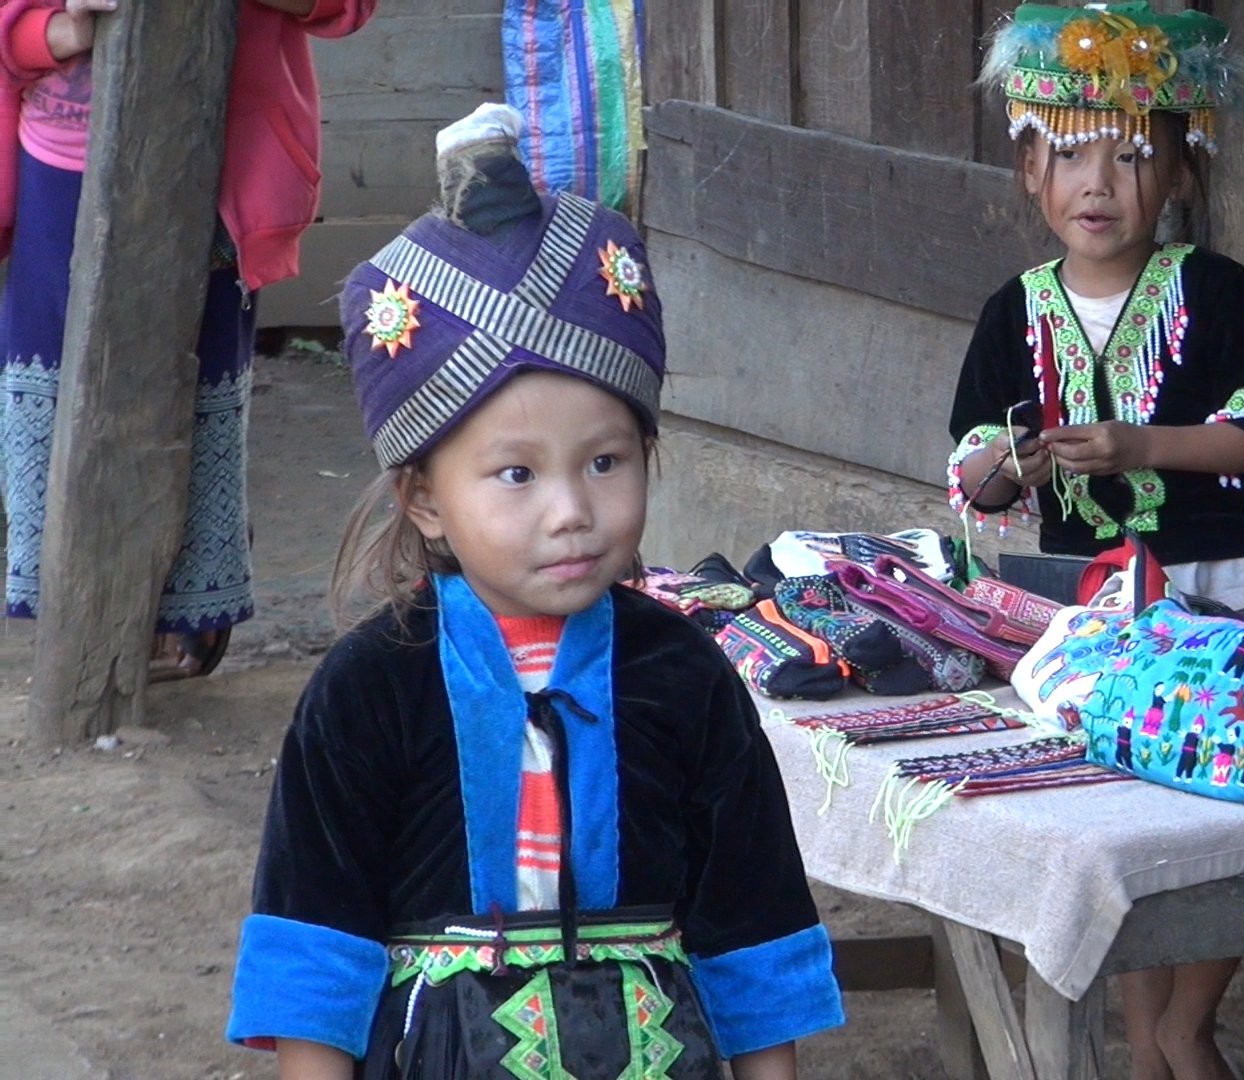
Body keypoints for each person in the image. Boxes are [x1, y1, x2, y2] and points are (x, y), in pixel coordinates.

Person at [225, 104, 843, 1079]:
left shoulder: (684, 673)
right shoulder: (367, 690)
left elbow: (750, 914)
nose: (571, 512)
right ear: (424, 500)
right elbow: (318, 934)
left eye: (605, 462)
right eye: (516, 475)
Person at [951, 5, 1244, 1077]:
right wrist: (1020, 464)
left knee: (1226, 803)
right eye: (1068, 155)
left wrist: (1142, 444)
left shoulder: (1214, 289)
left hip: (1226, 591)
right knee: (1135, 815)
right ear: (1027, 173)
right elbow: (971, 475)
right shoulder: (1012, 313)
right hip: (1097, 609)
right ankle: (1155, 1037)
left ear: (1183, 173)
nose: (1098, 183)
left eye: (1132, 154)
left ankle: (1184, 1025)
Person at [0, 0, 374, 679]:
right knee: (56, 393)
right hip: (53, 175)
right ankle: (94, 615)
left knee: (191, 385)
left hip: (213, 168)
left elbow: (346, 8)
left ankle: (185, 604)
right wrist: (64, 29)